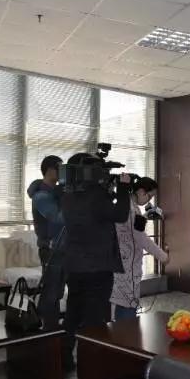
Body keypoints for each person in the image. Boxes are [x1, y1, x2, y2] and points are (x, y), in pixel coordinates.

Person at [60, 153, 131, 367]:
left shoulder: (67, 195)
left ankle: (65, 357)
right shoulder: (97, 196)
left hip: (74, 265)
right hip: (97, 267)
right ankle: (90, 363)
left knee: (73, 313)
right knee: (95, 317)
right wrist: (123, 188)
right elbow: (120, 214)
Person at [111, 176, 169, 321]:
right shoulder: (131, 210)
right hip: (127, 265)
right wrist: (163, 256)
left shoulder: (125, 205)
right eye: (150, 196)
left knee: (120, 300)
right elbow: (142, 238)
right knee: (128, 302)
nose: (149, 201)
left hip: (122, 261)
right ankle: (127, 331)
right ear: (141, 191)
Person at [27, 155, 65, 331]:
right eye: (60, 169)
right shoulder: (41, 195)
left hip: (62, 247)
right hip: (50, 249)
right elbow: (57, 218)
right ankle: (47, 329)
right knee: (51, 291)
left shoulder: (55, 192)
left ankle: (52, 328)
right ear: (49, 170)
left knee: (57, 292)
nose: (62, 173)